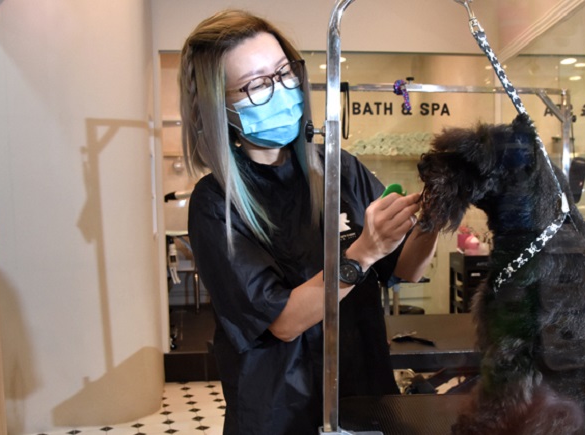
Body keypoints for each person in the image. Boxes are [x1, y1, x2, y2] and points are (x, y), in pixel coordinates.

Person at [179, 10, 439, 435]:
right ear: (217, 107)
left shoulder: (339, 170)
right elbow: (281, 320)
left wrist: (435, 217)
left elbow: (407, 268)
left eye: (284, 72)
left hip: (360, 393)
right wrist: (363, 252)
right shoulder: (216, 203)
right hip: (279, 410)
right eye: (256, 85)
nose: (281, 90)